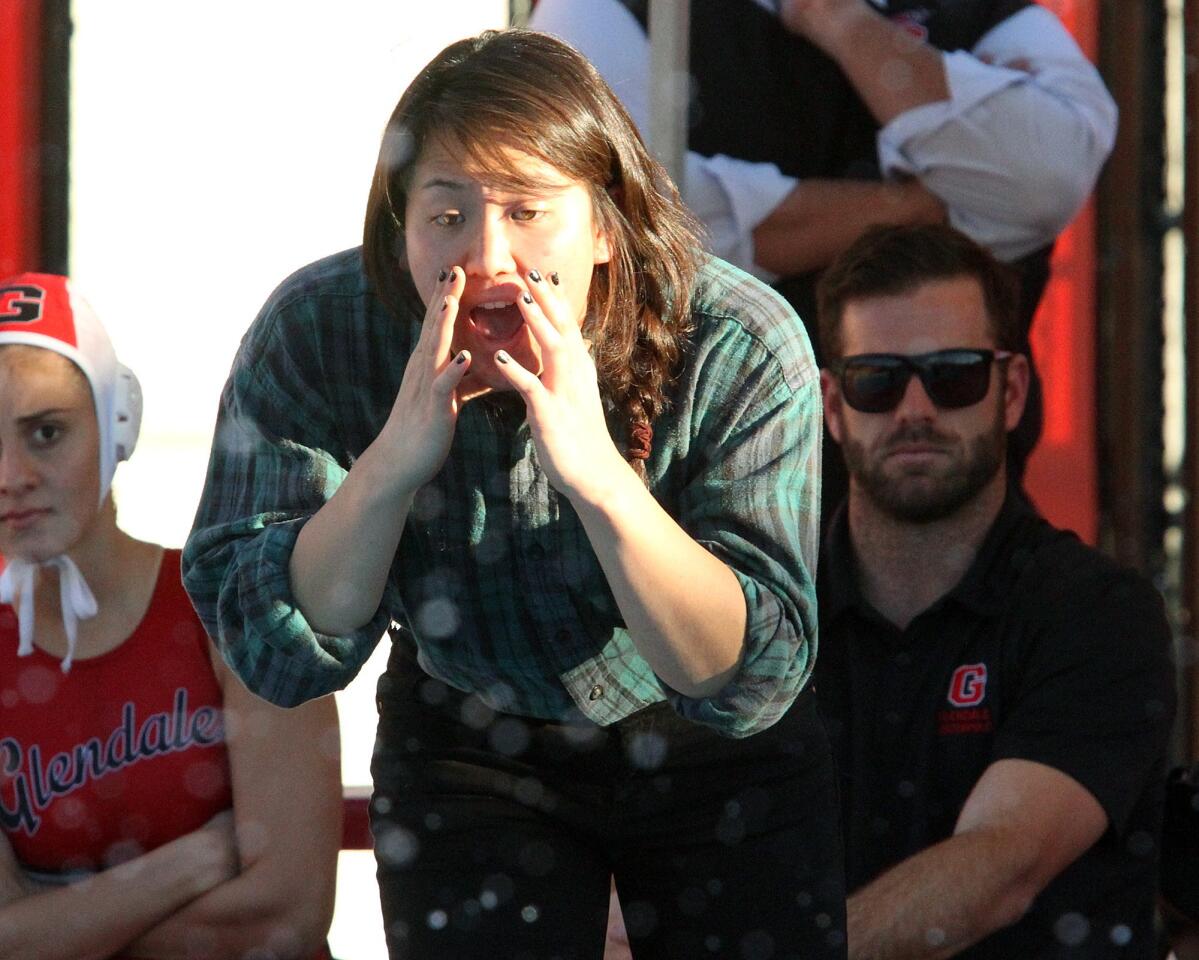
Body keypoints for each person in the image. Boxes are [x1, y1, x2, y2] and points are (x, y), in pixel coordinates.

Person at [182, 27, 845, 960]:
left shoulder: (734, 337)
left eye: (529, 210)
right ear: (398, 229)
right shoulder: (320, 331)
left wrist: (603, 484)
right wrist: (388, 467)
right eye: (445, 217)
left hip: (709, 751)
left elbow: (744, 675)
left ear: (607, 226)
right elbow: (281, 652)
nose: (487, 256)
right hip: (469, 727)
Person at [528, 0, 1119, 482]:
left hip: (958, 519)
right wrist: (919, 201)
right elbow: (628, 219)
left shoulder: (984, 9)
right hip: (714, 486)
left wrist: (832, 17)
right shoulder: (615, 9)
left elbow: (1048, 174)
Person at [812, 223, 1176, 959]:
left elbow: (1000, 866)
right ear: (831, 405)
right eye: (876, 380)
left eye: (952, 375)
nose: (914, 412)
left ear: (1009, 391)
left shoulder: (1098, 613)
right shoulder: (765, 613)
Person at [0, 274, 342, 960]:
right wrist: (196, 862)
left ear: (116, 421)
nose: (10, 474)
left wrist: (61, 930)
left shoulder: (239, 604)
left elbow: (286, 917)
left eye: (46, 432)